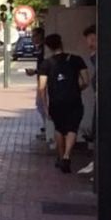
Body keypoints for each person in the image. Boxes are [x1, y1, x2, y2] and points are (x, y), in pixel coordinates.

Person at [38, 33, 89, 173]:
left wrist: (45, 106)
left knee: (59, 129)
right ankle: (67, 156)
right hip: (74, 100)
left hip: (56, 102)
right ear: (61, 43)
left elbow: (42, 88)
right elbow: (86, 81)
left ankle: (61, 158)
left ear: (48, 47)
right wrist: (77, 88)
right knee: (72, 128)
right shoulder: (76, 59)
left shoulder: (46, 64)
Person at [82, 25, 100, 175]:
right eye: (88, 40)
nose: (90, 44)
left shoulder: (101, 57)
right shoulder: (95, 57)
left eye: (93, 40)